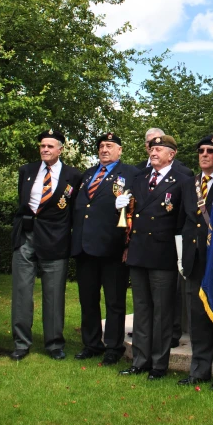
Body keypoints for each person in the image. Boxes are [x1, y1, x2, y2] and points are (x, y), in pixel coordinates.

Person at [119, 135, 187, 380]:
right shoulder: (140, 178)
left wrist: (182, 255)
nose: (153, 152)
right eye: (152, 148)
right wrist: (121, 206)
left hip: (163, 253)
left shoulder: (181, 180)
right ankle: (140, 360)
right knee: (142, 309)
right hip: (138, 251)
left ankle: (159, 364)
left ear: (172, 154)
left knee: (162, 313)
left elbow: (182, 220)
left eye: (159, 149)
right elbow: (130, 214)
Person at [10, 129, 81, 361]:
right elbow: (22, 204)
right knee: (21, 292)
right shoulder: (27, 171)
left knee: (53, 295)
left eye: (50, 146)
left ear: (60, 149)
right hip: (26, 238)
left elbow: (73, 212)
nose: (45, 150)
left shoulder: (73, 175)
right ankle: (21, 343)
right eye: (42, 146)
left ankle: (54, 344)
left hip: (55, 241)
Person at [71, 133, 140, 365]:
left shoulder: (131, 174)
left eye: (109, 146)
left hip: (113, 246)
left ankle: (113, 345)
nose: (104, 150)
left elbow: (135, 209)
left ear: (120, 150)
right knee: (88, 299)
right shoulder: (88, 174)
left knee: (114, 300)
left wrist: (129, 242)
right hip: (85, 247)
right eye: (101, 146)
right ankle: (91, 343)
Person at [176, 134, 213, 389]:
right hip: (194, 259)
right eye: (201, 150)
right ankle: (199, 370)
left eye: (210, 151)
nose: (204, 154)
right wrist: (180, 256)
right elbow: (182, 223)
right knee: (198, 318)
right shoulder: (189, 184)